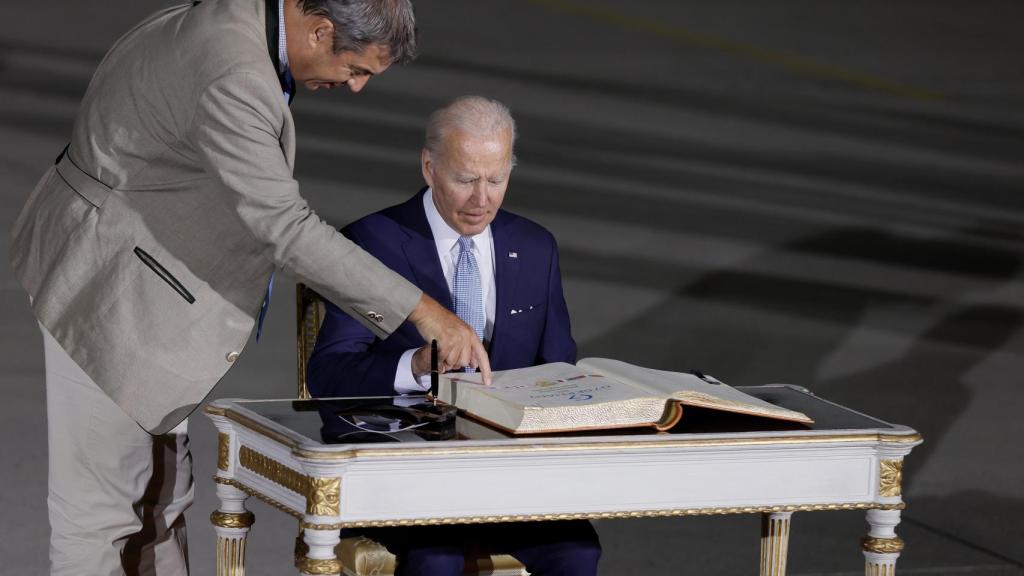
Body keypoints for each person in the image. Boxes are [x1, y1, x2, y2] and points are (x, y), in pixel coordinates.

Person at [9, 1, 490, 574]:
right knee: (100, 519)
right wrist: (424, 311)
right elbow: (285, 229)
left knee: (160, 499)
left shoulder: (245, 16)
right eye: (357, 69)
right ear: (320, 30)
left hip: (139, 279)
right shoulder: (233, 72)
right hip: (109, 293)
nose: (356, 87)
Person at [307, 96, 600, 576]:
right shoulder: (370, 243)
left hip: (508, 475)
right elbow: (329, 375)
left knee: (577, 551)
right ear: (429, 167)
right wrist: (416, 365)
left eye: (496, 179)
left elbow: (558, 370)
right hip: (406, 474)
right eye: (465, 180)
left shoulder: (535, 247)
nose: (481, 199)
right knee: (435, 559)